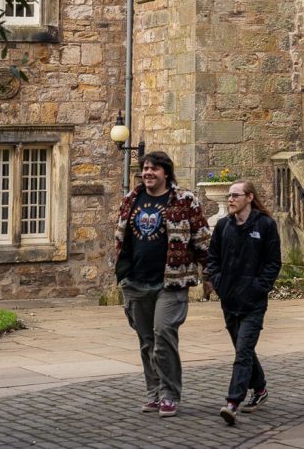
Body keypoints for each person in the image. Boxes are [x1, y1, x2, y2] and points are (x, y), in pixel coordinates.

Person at [114, 151, 211, 418]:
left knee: (163, 335)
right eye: (145, 168)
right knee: (147, 342)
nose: (148, 172)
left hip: (171, 282)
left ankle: (170, 395)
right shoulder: (131, 200)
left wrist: (211, 275)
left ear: (165, 173)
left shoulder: (184, 201)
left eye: (154, 169)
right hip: (135, 282)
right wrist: (122, 275)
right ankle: (154, 394)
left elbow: (203, 239)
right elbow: (122, 240)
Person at [205, 181, 282, 426]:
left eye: (235, 195)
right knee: (243, 349)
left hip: (253, 302)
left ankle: (232, 403)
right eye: (228, 195)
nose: (230, 199)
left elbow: (273, 262)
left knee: (243, 352)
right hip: (229, 299)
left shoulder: (265, 225)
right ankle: (259, 389)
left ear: (249, 197)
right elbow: (213, 257)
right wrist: (217, 282)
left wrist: (258, 287)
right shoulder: (223, 226)